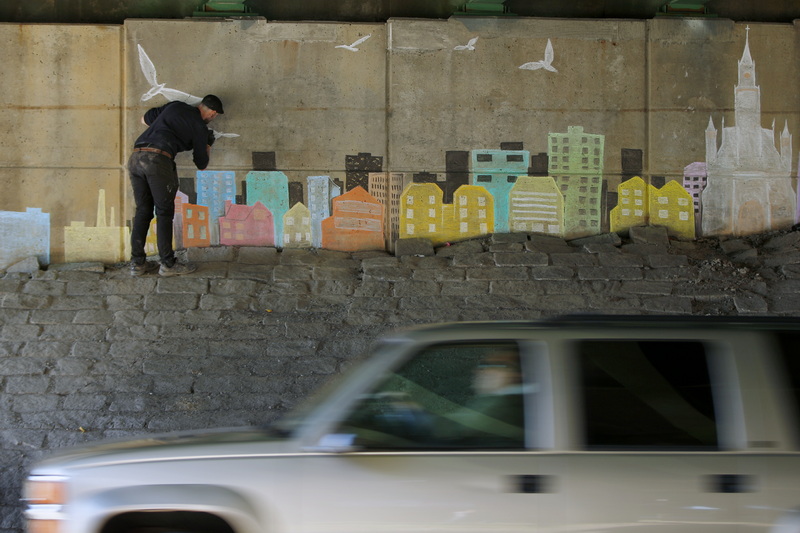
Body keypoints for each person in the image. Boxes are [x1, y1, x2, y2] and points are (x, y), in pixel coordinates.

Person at [128, 94, 225, 276]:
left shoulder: (175, 106)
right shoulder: (199, 126)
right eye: (214, 117)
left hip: (136, 157)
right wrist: (208, 143)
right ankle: (168, 264)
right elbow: (202, 164)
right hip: (158, 160)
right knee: (164, 212)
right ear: (212, 114)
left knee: (143, 211)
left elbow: (144, 119)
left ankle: (137, 263)